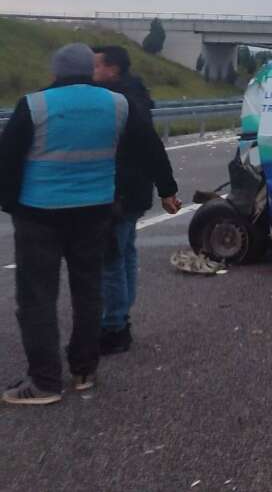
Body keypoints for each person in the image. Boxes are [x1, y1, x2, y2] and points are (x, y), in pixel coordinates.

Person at [0, 44, 166, 404]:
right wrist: (164, 188)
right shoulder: (118, 105)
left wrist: (10, 204)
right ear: (89, 70)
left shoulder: (35, 104)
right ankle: (84, 371)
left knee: (37, 297)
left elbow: (7, 158)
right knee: (89, 292)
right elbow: (149, 147)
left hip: (39, 213)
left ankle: (44, 382)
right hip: (95, 212)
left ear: (56, 70)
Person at [92, 45, 180, 354]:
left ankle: (114, 326)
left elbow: (150, 145)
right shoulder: (136, 95)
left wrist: (167, 188)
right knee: (125, 252)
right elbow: (152, 147)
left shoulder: (119, 103)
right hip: (135, 190)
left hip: (120, 191)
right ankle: (121, 316)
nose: (92, 71)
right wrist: (165, 189)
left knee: (111, 259)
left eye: (96, 66)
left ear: (112, 69)